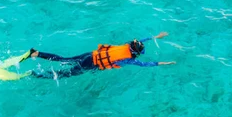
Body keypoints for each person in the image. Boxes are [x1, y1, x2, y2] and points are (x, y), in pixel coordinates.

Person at [23, 32, 175, 79]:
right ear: (136, 53)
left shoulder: (127, 45)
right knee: (63, 74)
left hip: (90, 55)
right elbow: (146, 65)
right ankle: (34, 74)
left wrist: (156, 36)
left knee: (64, 60)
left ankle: (36, 53)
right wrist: (165, 63)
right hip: (91, 64)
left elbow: (141, 40)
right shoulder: (128, 59)